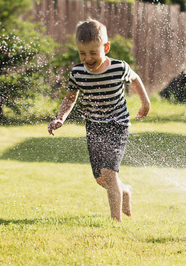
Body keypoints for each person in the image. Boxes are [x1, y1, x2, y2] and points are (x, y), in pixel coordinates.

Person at [48, 18, 151, 221]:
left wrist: (145, 103)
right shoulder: (77, 73)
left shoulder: (118, 68)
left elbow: (135, 79)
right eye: (82, 53)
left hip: (117, 125)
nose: (88, 58)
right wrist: (60, 118)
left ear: (106, 47)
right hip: (93, 126)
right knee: (101, 178)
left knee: (109, 172)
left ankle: (115, 221)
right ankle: (125, 191)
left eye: (93, 52)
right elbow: (70, 98)